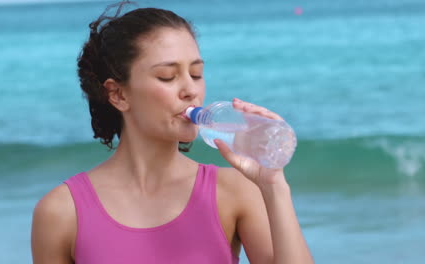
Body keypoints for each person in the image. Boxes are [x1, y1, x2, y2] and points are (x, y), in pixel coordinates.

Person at [31, 1, 314, 263]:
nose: (191, 90)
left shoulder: (234, 192)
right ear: (118, 95)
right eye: (167, 76)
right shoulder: (61, 212)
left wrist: (274, 187)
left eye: (196, 74)